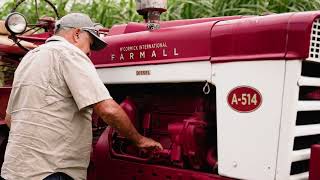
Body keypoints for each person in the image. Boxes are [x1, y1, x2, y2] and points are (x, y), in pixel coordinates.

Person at [1, 13, 163, 180]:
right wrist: (140, 140)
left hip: (16, 170)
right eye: (90, 45)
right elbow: (108, 110)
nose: (89, 53)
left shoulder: (29, 58)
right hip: (53, 172)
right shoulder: (69, 53)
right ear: (77, 34)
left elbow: (10, 119)